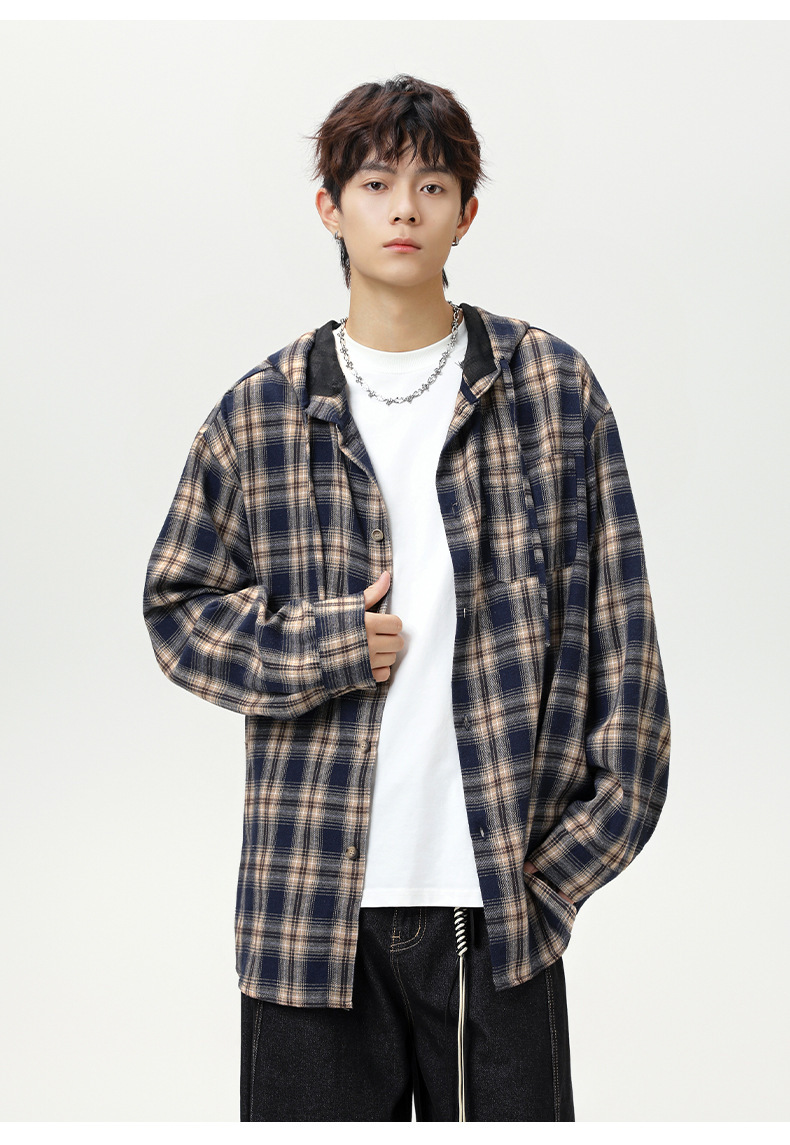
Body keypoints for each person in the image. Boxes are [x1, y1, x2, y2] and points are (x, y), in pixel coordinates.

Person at [142, 74, 671, 1123]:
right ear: (329, 207)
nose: (403, 209)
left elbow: (631, 675)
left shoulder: (552, 392)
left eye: (432, 186)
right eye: (376, 183)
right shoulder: (260, 413)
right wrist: (328, 646)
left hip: (498, 922)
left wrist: (548, 883)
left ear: (466, 212)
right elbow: (176, 612)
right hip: (307, 921)